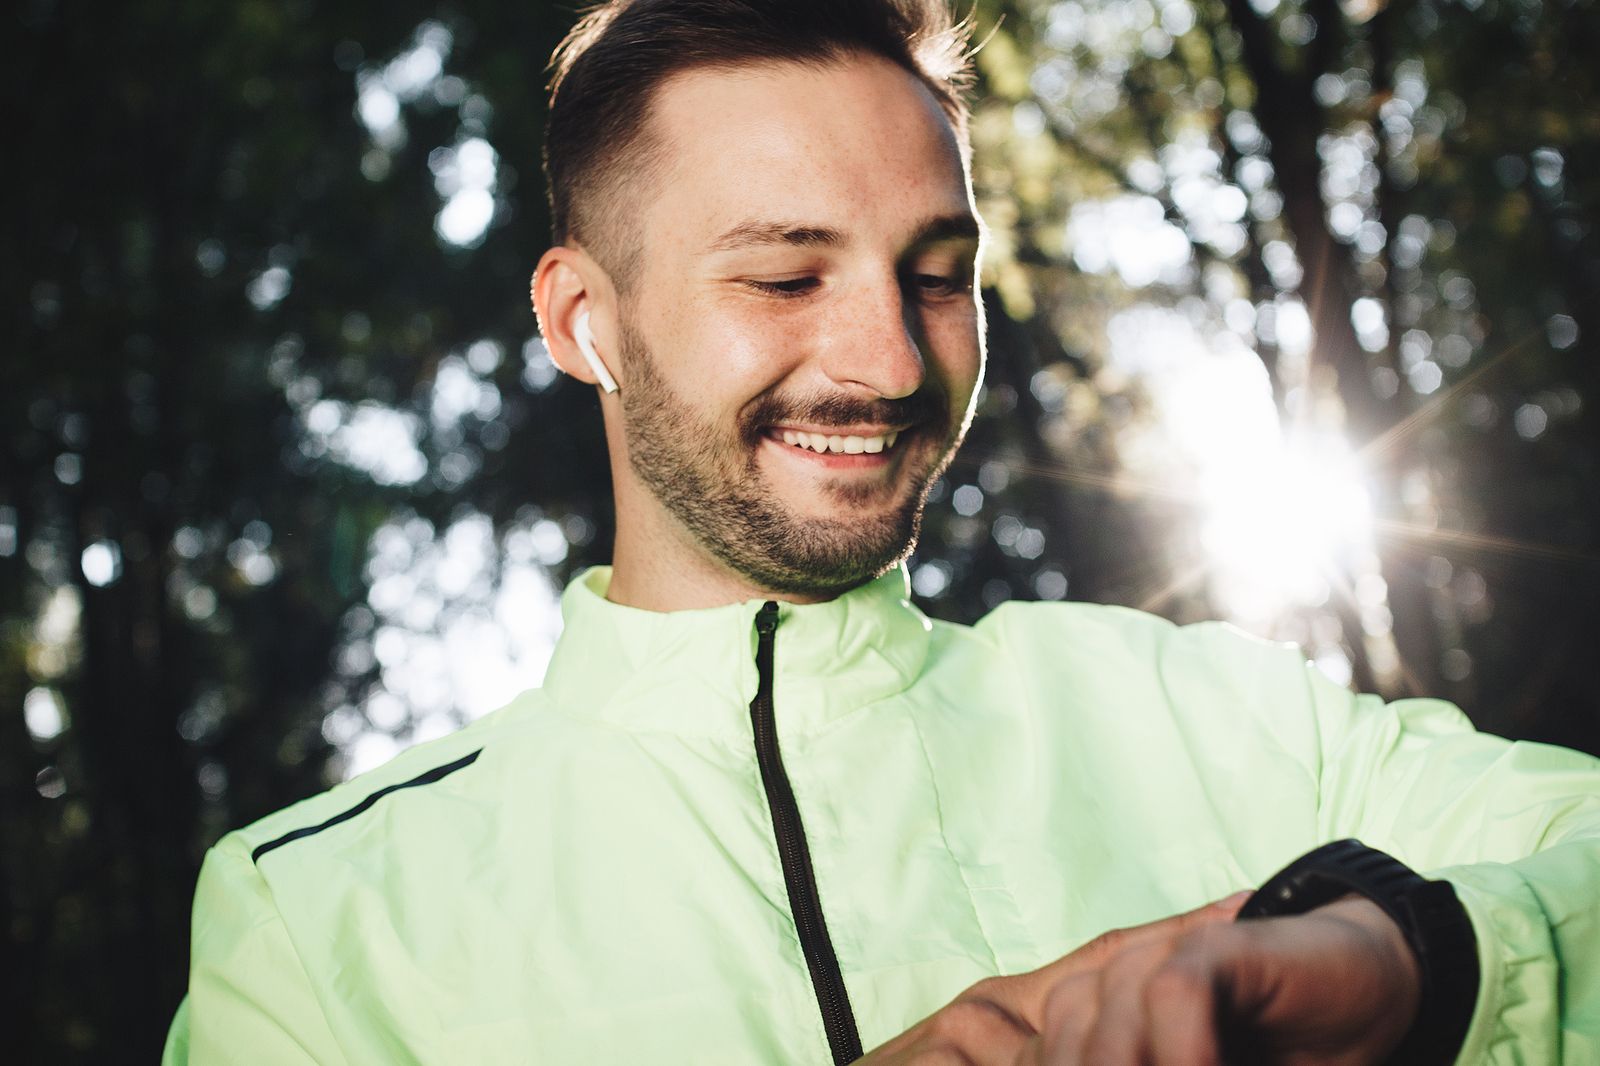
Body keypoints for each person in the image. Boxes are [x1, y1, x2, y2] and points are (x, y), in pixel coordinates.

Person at [164, 1, 1600, 1063]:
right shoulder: (316, 923)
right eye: (787, 277)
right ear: (580, 320)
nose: (893, 365)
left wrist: (1415, 952)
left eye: (934, 274)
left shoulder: (1201, 706)